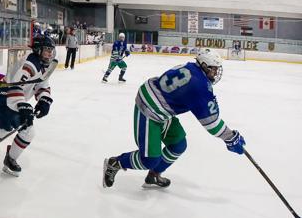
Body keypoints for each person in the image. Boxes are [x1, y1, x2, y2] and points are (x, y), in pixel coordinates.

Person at [102, 49, 245, 189]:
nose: (215, 73)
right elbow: (212, 124)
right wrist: (230, 137)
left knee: (178, 144)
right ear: (204, 65)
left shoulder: (191, 66)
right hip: (150, 109)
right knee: (150, 160)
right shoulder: (199, 86)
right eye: (213, 69)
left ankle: (153, 175)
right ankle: (115, 163)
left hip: (161, 107)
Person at [0, 34, 55, 176]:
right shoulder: (30, 65)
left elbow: (42, 85)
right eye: (47, 49)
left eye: (52, 50)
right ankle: (10, 160)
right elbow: (15, 87)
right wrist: (23, 106)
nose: (50, 53)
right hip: (5, 95)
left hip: (7, 94)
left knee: (5, 128)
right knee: (28, 131)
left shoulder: (42, 65)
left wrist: (44, 100)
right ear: (38, 49)